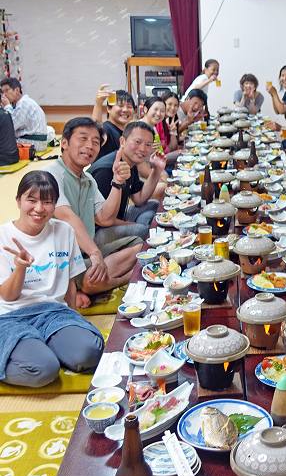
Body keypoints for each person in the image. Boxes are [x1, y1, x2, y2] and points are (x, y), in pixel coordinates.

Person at [0, 171, 104, 388]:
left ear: (55, 205)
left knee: (90, 353)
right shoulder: (3, 237)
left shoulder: (63, 231)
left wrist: (73, 320)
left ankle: (43, 344)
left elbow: (69, 285)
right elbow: (8, 296)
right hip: (11, 316)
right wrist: (20, 267)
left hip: (52, 314)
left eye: (47, 202)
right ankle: (34, 351)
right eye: (31, 200)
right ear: (18, 200)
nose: (39, 208)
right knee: (45, 369)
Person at [47, 117, 141, 308]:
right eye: (83, 139)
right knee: (92, 276)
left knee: (141, 246)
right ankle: (114, 280)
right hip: (62, 260)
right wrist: (96, 254)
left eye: (96, 142)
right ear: (64, 143)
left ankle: (90, 284)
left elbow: (104, 218)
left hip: (85, 253)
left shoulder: (88, 178)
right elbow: (68, 217)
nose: (90, 146)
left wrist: (117, 182)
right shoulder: (51, 175)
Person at [89, 121, 165, 239]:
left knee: (154, 205)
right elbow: (101, 219)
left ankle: (141, 228)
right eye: (138, 142)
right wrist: (134, 225)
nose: (143, 149)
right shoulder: (105, 170)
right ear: (122, 141)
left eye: (148, 144)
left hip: (119, 217)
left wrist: (157, 170)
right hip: (98, 231)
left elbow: (139, 199)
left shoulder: (130, 162)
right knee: (142, 229)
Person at [0, 77, 47, 152]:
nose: (4, 95)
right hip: (34, 142)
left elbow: (10, 127)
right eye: (2, 92)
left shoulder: (24, 104)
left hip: (33, 144)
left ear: (17, 90)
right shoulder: (22, 102)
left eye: (7, 90)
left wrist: (7, 106)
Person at [92, 86, 136, 160]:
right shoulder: (106, 129)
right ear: (109, 108)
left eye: (129, 107)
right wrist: (98, 103)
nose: (125, 110)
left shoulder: (127, 133)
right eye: (120, 106)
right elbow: (95, 131)